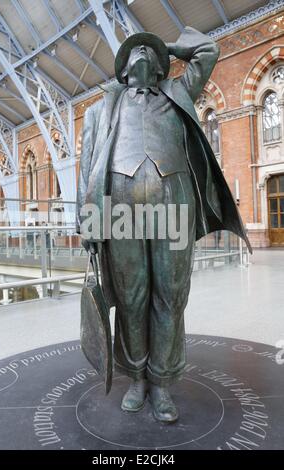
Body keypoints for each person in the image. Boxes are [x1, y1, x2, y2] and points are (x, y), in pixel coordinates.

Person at [76, 27, 251, 423]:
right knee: (132, 297)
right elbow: (87, 169)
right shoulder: (101, 109)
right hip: (120, 211)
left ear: (159, 65)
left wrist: (166, 46)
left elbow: (209, 49)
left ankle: (161, 383)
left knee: (170, 296)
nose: (141, 52)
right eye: (133, 49)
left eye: (148, 50)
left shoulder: (179, 92)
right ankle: (136, 378)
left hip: (174, 205)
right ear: (122, 69)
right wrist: (88, 224)